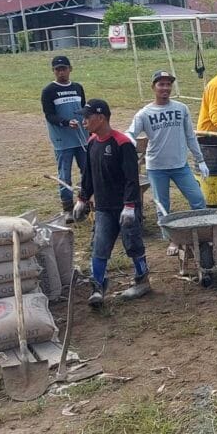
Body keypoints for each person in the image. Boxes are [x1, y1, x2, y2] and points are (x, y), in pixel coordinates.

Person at [74, 99, 151, 307]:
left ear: (100, 118)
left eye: (87, 117)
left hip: (125, 207)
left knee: (132, 244)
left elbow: (131, 179)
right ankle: (97, 287)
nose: (83, 121)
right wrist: (82, 198)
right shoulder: (92, 142)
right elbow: (88, 175)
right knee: (99, 246)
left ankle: (142, 280)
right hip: (103, 207)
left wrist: (130, 206)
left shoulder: (122, 143)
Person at [127, 70, 209, 256]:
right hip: (157, 167)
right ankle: (172, 239)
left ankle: (202, 235)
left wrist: (201, 159)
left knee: (198, 199)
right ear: (153, 87)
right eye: (161, 84)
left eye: (168, 84)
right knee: (162, 206)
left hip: (180, 165)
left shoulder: (181, 109)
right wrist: (129, 139)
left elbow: (190, 136)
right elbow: (130, 132)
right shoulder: (145, 113)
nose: (165, 88)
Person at [41, 55, 87, 222]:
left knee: (87, 171)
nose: (61, 72)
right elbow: (49, 115)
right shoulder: (49, 91)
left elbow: (84, 108)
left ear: (70, 69)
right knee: (64, 174)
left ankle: (86, 202)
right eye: (57, 69)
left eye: (64, 69)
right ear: (53, 71)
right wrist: (66, 122)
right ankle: (67, 208)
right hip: (62, 140)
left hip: (82, 138)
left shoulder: (77, 88)